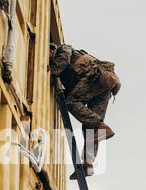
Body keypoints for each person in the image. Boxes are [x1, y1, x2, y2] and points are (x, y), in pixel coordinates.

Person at [49, 43, 121, 180]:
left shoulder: (63, 49)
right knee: (90, 125)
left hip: (97, 77)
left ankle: (103, 128)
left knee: (71, 103)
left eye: (50, 52)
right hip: (105, 84)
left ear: (53, 50)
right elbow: (76, 87)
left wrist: (51, 73)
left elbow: (64, 58)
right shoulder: (70, 73)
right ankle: (88, 164)